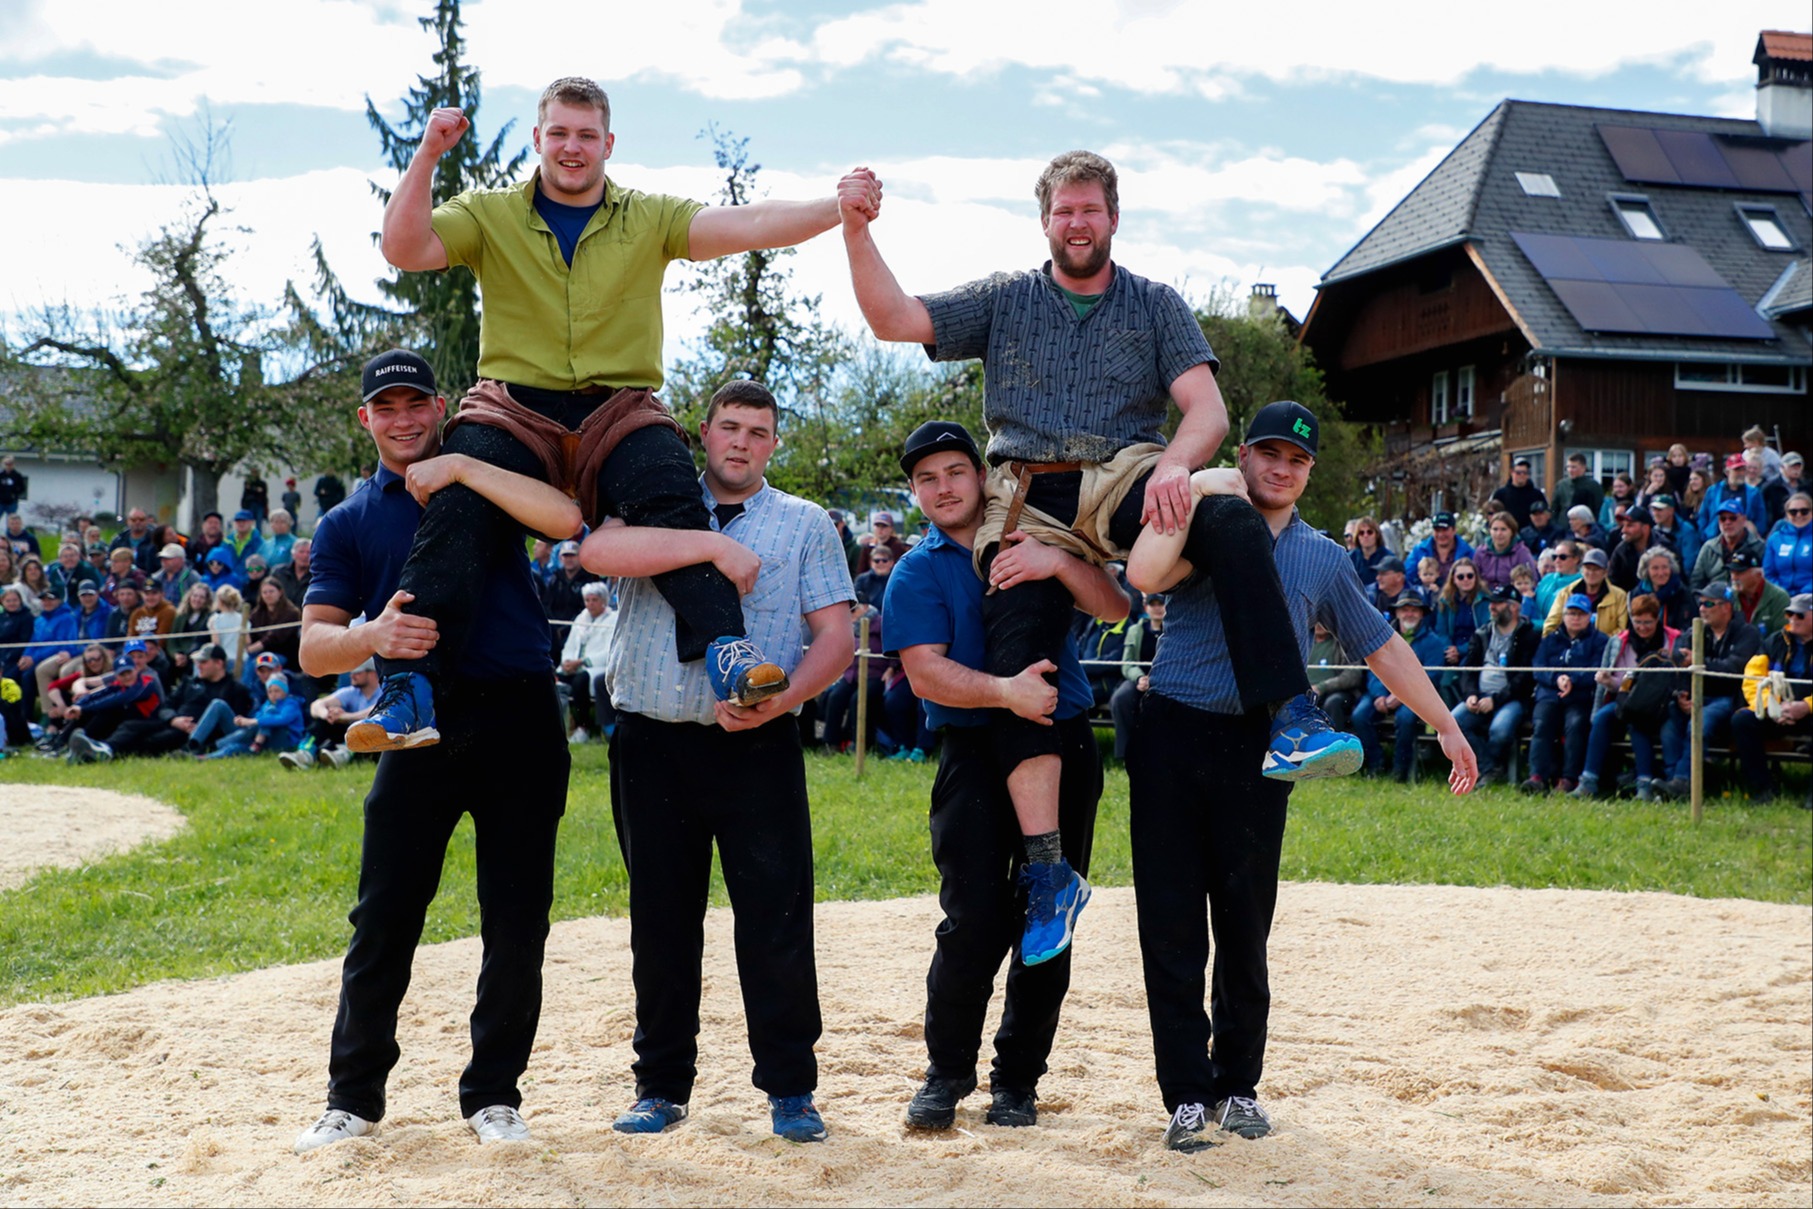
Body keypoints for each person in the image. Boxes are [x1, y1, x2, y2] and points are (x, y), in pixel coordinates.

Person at [843, 151, 1358, 967]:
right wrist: (854, 226)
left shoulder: (1153, 303)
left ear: (1112, 217)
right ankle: (1051, 873)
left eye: (1090, 209)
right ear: (1044, 220)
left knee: (1224, 516)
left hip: (1126, 475)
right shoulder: (1006, 296)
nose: (1076, 223)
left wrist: (1174, 467)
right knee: (1020, 668)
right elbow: (893, 318)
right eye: (1062, 211)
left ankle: (1290, 715)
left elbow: (1206, 409)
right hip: (1025, 499)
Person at [366, 78, 876, 749]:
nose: (571, 147)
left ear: (607, 144)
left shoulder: (648, 216)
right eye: (559, 133)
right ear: (538, 139)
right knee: (457, 501)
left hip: (620, 408)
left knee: (666, 482)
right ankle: (409, 687)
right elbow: (403, 249)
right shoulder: (488, 213)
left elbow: (748, 223)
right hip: (515, 407)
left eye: (585, 135)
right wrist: (428, 154)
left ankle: (728, 650)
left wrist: (834, 208)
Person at [1118, 400, 1475, 1150]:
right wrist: (1199, 481)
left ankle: (1237, 1084)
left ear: (1309, 473)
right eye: (1269, 454)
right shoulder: (1209, 517)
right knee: (1171, 924)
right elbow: (1142, 572)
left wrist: (1444, 722)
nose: (1281, 469)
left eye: (1298, 460)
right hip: (1173, 731)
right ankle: (1184, 1092)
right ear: (1243, 454)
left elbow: (1380, 646)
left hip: (1261, 746)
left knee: (1245, 923)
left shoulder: (1321, 556)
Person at [292, 349, 581, 1154]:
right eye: (386, 407)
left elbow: (565, 517)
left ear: (441, 405)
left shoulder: (481, 482)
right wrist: (371, 636)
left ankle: (494, 1095)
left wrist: (466, 466)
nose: (404, 419)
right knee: (383, 916)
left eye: (416, 403)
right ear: (366, 420)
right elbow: (315, 650)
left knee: (517, 918)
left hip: (519, 710)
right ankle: (350, 1098)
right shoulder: (349, 521)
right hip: (411, 721)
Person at [580, 379, 853, 1143]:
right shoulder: (654, 499)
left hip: (755, 744)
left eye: (757, 432)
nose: (740, 442)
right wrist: (705, 542)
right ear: (703, 431)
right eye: (729, 427)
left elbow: (834, 635)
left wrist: (787, 696)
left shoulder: (803, 524)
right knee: (661, 921)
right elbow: (593, 551)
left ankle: (791, 1087)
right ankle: (661, 1085)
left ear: (773, 443)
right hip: (651, 740)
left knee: (775, 916)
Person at [881, 418, 1123, 1130]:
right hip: (973, 752)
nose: (943, 486)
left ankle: (1017, 1081)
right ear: (915, 493)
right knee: (973, 921)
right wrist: (1004, 691)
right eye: (926, 478)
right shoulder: (915, 570)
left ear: (982, 476)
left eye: (955, 470)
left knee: (1047, 920)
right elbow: (925, 675)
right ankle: (944, 1075)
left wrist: (1057, 564)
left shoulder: (1034, 535)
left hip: (1061, 739)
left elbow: (1113, 604)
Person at [1652, 582, 1762, 801]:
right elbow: (1678, 663)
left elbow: (1735, 668)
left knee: (1699, 722)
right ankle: (1672, 779)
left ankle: (1683, 782)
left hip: (1729, 698)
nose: (1702, 608)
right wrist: (1682, 693)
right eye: (1700, 603)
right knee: (1670, 720)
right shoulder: (1694, 631)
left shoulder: (1747, 633)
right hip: (1695, 695)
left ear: (1726, 607)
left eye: (1709, 603)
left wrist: (1699, 661)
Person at [1569, 594, 1677, 801]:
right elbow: (1616, 679)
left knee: (1636, 721)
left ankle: (1644, 784)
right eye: (1637, 622)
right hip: (1624, 699)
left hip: (1659, 704)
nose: (1642, 627)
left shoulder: (1671, 641)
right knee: (1602, 717)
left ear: (1657, 620)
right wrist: (1607, 681)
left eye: (1648, 622)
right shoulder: (1619, 642)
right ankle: (1588, 780)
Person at [1351, 592, 1447, 779]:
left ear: (1421, 614)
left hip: (1414, 697)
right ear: (1397, 613)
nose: (1409, 614)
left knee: (1406, 719)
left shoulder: (1434, 642)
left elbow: (1432, 675)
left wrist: (1400, 696)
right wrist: (1379, 695)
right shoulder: (1381, 638)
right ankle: (1375, 764)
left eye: (1414, 610)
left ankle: (1400, 770)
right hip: (1380, 693)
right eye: (1405, 610)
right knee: (1360, 715)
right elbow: (1372, 667)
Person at [1520, 594, 1609, 795]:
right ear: (1563, 615)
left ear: (1589, 617)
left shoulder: (1600, 641)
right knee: (1542, 724)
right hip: (1549, 694)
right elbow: (1538, 668)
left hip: (1581, 697)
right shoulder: (1550, 639)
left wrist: (1572, 680)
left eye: (1580, 614)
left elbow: (1598, 669)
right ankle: (1537, 776)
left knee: (1576, 725)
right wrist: (1557, 679)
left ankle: (1569, 778)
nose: (1575, 618)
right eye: (1571, 613)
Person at [1452, 584, 1540, 785]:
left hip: (1512, 699)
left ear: (1515, 607)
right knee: (1453, 722)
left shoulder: (1528, 635)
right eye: (1492, 603)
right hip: (1480, 695)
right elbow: (1468, 670)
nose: (1492, 607)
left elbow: (1525, 679)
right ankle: (1489, 767)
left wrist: (1495, 700)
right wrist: (1471, 694)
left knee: (1500, 731)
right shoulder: (1482, 633)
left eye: (1499, 603)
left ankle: (1489, 769)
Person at [1729, 593, 1812, 804]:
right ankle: (1762, 789)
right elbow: (1752, 678)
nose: (1792, 619)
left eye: (1799, 615)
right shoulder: (1774, 641)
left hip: (1808, 712)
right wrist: (1770, 706)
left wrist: (1806, 706)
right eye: (1789, 613)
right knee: (1742, 721)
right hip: (1776, 711)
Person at [60, 653, 165, 765]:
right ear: (117, 676)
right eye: (122, 674)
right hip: (133, 719)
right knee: (103, 712)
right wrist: (78, 706)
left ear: (136, 670)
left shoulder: (147, 683)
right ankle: (68, 744)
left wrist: (84, 708)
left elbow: (119, 699)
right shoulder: (119, 684)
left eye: (129, 672)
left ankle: (105, 749)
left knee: (124, 722)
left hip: (153, 721)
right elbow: (99, 694)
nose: (127, 677)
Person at [280, 660, 382, 770]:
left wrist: (345, 716)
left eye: (357, 672)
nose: (352, 675)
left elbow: (377, 711)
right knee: (322, 722)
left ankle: (342, 754)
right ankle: (305, 754)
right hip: (348, 734)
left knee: (367, 727)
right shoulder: (350, 692)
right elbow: (316, 705)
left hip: (374, 740)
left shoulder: (384, 692)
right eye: (351, 672)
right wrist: (327, 715)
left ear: (372, 674)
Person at [1110, 591, 1168, 759]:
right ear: (1146, 607)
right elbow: (1127, 662)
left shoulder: (1174, 630)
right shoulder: (1135, 630)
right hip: (1139, 678)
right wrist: (1139, 678)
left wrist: (1156, 679)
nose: (1157, 608)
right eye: (1153, 604)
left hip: (1166, 680)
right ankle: (1125, 752)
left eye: (1161, 603)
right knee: (1120, 699)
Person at [556, 580, 616, 742]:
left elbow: (609, 651)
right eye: (587, 600)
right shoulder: (581, 618)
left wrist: (583, 662)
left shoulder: (612, 619)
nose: (590, 604)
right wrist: (567, 662)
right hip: (575, 665)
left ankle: (584, 727)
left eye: (594, 600)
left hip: (596, 666)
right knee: (555, 679)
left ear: (603, 600)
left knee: (580, 681)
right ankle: (559, 726)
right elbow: (569, 645)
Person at [198, 673, 303, 761]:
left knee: (268, 716)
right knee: (234, 749)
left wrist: (252, 721)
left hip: (286, 741)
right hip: (266, 742)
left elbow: (282, 719)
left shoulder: (291, 704)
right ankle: (204, 757)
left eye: (277, 691)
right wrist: (248, 722)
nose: (273, 695)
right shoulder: (267, 704)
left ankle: (214, 746)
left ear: (285, 691)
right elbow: (258, 715)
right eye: (270, 691)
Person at [1542, 547, 1627, 637]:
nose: (1591, 573)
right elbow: (1550, 625)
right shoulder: (1566, 592)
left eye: (1596, 569)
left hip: (1604, 648)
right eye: (1588, 568)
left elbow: (1621, 631)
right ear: (1582, 570)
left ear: (1605, 572)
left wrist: (1599, 644)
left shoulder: (1619, 596)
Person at [540, 538, 599, 664]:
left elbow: (587, 608)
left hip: (578, 628)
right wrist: (555, 628)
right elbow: (546, 604)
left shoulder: (588, 579)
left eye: (572, 555)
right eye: (566, 556)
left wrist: (568, 628)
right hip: (553, 629)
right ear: (561, 558)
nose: (569, 559)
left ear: (579, 557)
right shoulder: (555, 578)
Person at [1691, 499, 1766, 590]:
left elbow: (1765, 580)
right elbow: (1696, 581)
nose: (1727, 523)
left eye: (1733, 518)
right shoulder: (1708, 548)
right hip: (1714, 600)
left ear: (1744, 520)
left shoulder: (1759, 547)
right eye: (1723, 519)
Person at [1699, 454, 1767, 543]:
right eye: (1737, 470)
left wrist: (1754, 534)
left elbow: (1761, 518)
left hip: (1744, 542)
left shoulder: (1754, 493)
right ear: (1727, 472)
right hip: (1715, 540)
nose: (1741, 473)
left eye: (1743, 470)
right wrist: (1705, 534)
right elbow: (1703, 515)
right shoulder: (1713, 491)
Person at [1762, 492, 1812, 598]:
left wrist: (1803, 594)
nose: (1799, 515)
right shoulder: (1775, 539)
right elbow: (1768, 573)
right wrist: (1782, 593)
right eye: (1793, 512)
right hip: (1780, 597)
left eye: (1804, 511)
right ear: (1787, 515)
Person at [1730, 551, 1789, 638]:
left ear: (1758, 575)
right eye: (1732, 572)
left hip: (1766, 649)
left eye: (1739, 573)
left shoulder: (1779, 598)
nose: (1734, 578)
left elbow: (1781, 637)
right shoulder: (1729, 596)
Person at [1406, 512, 1475, 585]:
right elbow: (1407, 578)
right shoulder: (1419, 551)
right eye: (1437, 530)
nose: (1441, 534)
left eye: (1445, 530)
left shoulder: (1468, 553)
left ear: (1454, 530)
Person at [1631, 547, 1691, 631]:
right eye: (1655, 568)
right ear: (1646, 571)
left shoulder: (1682, 593)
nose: (1661, 573)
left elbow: (1686, 628)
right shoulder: (1637, 594)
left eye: (1665, 567)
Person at [1474, 512, 1536, 593]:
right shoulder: (1481, 552)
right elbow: (1473, 576)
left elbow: (1532, 581)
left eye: (1503, 529)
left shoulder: (1522, 553)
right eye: (1495, 529)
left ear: (1512, 532)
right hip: (1485, 595)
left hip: (1512, 597)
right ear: (1490, 531)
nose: (1499, 533)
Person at [1607, 506, 1660, 592]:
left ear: (1645, 528)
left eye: (1630, 526)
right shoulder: (1621, 551)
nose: (1623, 530)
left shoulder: (1664, 548)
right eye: (1623, 525)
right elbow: (1613, 582)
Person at [1488, 457, 1547, 531]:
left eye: (1525, 473)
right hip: (1507, 534)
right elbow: (1492, 516)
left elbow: (1545, 514)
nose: (1522, 475)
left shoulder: (1537, 494)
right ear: (1511, 472)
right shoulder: (1500, 494)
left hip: (1531, 535)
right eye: (1518, 473)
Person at [1549, 452, 1605, 520]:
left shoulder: (1593, 486)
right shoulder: (1561, 485)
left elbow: (1598, 508)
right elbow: (1554, 508)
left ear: (1583, 468)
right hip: (1563, 526)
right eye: (1568, 467)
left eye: (1573, 467)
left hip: (1584, 525)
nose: (1570, 470)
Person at [853, 510, 909, 575]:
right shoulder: (868, 548)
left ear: (891, 528)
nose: (880, 529)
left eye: (884, 526)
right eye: (877, 526)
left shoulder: (899, 547)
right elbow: (861, 572)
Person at [208, 584, 246, 674]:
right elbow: (247, 641)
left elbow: (216, 643)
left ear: (220, 601)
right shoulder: (242, 618)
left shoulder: (215, 619)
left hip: (225, 659)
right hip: (242, 658)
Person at [110, 507, 160, 574]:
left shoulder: (156, 539)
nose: (137, 522)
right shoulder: (119, 540)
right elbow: (109, 559)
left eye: (141, 519)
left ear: (147, 521)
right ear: (128, 521)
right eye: (133, 520)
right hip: (122, 580)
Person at [1346, 514, 1390, 586]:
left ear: (1377, 534)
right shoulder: (1349, 558)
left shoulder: (1388, 557)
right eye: (1361, 533)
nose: (1365, 536)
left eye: (1369, 532)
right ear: (1357, 536)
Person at [852, 541, 897, 607]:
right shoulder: (861, 580)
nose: (880, 563)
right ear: (871, 562)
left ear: (891, 562)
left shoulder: (897, 581)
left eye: (884, 561)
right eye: (877, 561)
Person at [271, 539, 312, 607]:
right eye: (301, 552)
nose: (305, 556)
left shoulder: (317, 576)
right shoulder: (279, 573)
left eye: (309, 552)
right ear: (293, 554)